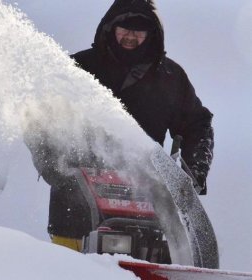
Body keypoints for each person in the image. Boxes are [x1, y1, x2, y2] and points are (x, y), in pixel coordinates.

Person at [26, 0, 214, 251]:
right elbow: (38, 118)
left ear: (153, 33)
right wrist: (53, 165)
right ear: (110, 27)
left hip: (146, 210)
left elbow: (197, 124)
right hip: (74, 208)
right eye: (124, 27)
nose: (130, 36)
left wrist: (192, 175)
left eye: (139, 30)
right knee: (69, 269)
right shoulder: (77, 69)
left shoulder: (170, 78)